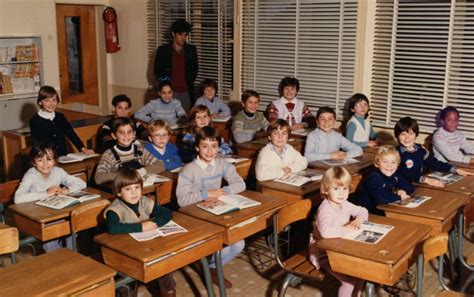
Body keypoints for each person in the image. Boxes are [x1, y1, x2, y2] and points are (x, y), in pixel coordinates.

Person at [176, 126, 245, 288]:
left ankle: (211, 266)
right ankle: (205, 263)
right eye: (204, 146)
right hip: (193, 217)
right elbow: (182, 200)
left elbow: (240, 183)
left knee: (239, 243)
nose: (209, 151)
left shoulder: (222, 164)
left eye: (214, 146)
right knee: (217, 242)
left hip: (215, 212)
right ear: (196, 147)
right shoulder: (189, 169)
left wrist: (223, 192)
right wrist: (207, 194)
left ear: (219, 148)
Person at [104, 168, 175, 297]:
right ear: (119, 192)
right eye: (128, 189)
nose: (134, 192)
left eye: (137, 187)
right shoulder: (115, 209)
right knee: (126, 283)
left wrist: (155, 224)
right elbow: (112, 227)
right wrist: (141, 227)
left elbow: (167, 212)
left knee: (162, 263)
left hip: (145, 247)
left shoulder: (144, 201)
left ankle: (168, 291)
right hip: (124, 251)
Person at [14, 141, 86, 252]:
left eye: (49, 159)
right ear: (34, 162)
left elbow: (82, 183)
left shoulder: (58, 172)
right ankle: (58, 261)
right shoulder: (31, 175)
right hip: (38, 217)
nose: (45, 164)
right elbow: (18, 198)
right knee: (51, 234)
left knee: (72, 225)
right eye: (40, 160)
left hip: (55, 213)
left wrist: (67, 190)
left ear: (55, 161)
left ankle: (72, 257)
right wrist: (46, 194)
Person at [309, 166, 367, 297]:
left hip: (340, 248)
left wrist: (358, 220)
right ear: (326, 190)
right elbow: (326, 232)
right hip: (323, 253)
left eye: (344, 188)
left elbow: (363, 211)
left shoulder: (344, 203)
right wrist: (345, 229)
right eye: (336, 189)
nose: (341, 193)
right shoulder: (325, 209)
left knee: (362, 274)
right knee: (349, 282)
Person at [394, 116, 472, 188]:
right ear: (397, 136)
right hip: (401, 188)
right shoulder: (395, 153)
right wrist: (426, 180)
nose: (407, 137)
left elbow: (434, 163)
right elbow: (406, 174)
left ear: (416, 135)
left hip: (417, 185)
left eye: (411, 133)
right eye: (403, 134)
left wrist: (455, 170)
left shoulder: (420, 149)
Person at [94, 117, 164, 185]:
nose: (126, 136)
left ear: (134, 134)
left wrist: (141, 171)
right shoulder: (109, 154)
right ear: (114, 135)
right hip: (119, 189)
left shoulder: (139, 150)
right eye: (121, 132)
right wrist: (125, 176)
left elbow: (160, 165)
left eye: (129, 132)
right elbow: (99, 177)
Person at [29, 85, 95, 156]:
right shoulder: (35, 120)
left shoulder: (60, 117)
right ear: (40, 102)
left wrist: (84, 149)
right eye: (47, 101)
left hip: (63, 156)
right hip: (46, 157)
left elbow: (71, 134)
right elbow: (36, 143)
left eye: (54, 100)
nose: (51, 104)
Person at [352, 146, 413, 214]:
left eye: (393, 162)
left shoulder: (394, 174)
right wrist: (399, 196)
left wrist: (402, 191)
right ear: (377, 163)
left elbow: (409, 187)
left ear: (397, 164)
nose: (389, 165)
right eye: (385, 162)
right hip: (366, 212)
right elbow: (381, 198)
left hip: (381, 208)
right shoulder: (374, 177)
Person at [154, 19, 198, 111]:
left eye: (185, 35)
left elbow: (195, 69)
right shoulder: (163, 50)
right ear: (173, 34)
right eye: (180, 34)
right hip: (169, 93)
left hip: (186, 93)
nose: (183, 38)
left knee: (185, 121)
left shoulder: (191, 50)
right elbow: (157, 71)